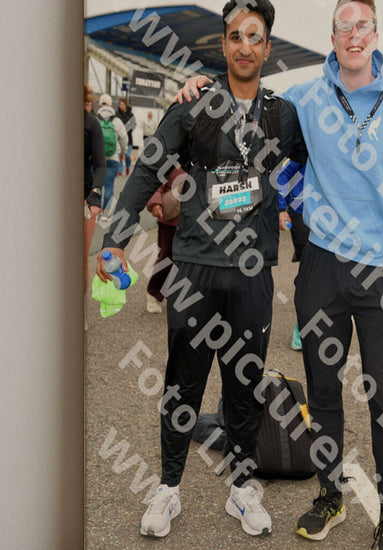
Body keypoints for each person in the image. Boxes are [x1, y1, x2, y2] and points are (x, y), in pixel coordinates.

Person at [178, 1, 383, 547]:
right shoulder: (305, 99)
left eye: (362, 25)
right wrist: (200, 89)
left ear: (375, 34)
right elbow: (248, 100)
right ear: (333, 37)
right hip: (320, 266)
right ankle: (330, 496)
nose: (353, 35)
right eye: (343, 27)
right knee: (322, 391)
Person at [96, 0, 306, 540]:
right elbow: (146, 171)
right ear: (223, 44)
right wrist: (114, 242)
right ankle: (168, 487)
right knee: (182, 384)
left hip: (252, 274)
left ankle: (242, 488)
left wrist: (314, 253)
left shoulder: (284, 115)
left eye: (254, 36)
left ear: (267, 47)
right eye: (235, 35)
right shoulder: (193, 104)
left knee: (244, 385)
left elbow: (315, 174)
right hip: (194, 270)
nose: (244, 46)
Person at [277, 159, 309, 350]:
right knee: (308, 274)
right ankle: (302, 327)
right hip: (302, 213)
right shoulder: (305, 146)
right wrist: (281, 209)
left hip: (331, 217)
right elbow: (281, 175)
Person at [144, 165, 185, 314]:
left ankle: (176, 295)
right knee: (167, 257)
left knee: (188, 261)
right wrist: (155, 202)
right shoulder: (170, 160)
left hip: (194, 221)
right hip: (170, 220)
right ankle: (153, 293)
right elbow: (156, 182)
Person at [84, 84, 106, 310]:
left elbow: (100, 165)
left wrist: (95, 194)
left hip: (84, 197)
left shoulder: (91, 123)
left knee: (79, 256)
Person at [97, 94, 128, 218]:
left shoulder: (95, 119)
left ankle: (95, 210)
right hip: (113, 158)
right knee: (109, 185)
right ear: (111, 105)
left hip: (97, 159)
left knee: (97, 186)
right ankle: (105, 213)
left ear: (99, 104)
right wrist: (122, 153)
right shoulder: (117, 121)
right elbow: (124, 139)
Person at [116, 97, 136, 176]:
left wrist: (128, 128)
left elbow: (134, 125)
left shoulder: (130, 115)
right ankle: (120, 170)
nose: (121, 106)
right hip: (119, 138)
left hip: (128, 139)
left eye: (123, 104)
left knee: (127, 155)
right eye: (120, 104)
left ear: (126, 105)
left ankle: (127, 167)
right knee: (120, 155)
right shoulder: (117, 114)